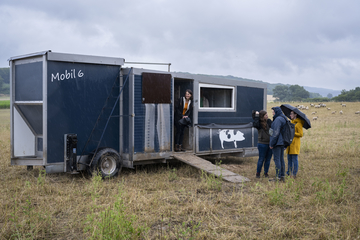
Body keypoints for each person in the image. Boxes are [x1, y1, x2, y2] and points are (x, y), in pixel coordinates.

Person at [252, 110, 272, 178]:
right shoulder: (259, 124)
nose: (267, 116)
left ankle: (266, 173)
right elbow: (255, 124)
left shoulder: (269, 121)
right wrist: (257, 115)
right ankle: (258, 173)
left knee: (268, 159)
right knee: (261, 159)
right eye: (266, 115)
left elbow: (273, 128)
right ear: (262, 116)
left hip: (269, 143)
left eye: (267, 115)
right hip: (262, 143)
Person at [269, 107, 287, 182]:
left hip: (277, 142)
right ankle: (282, 176)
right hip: (282, 142)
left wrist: (271, 143)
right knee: (281, 159)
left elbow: (275, 133)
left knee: (277, 160)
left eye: (273, 112)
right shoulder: (284, 118)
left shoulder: (278, 119)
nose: (272, 113)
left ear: (276, 112)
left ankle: (278, 177)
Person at [286, 111, 304, 178]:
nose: (290, 115)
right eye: (290, 114)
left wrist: (293, 133)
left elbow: (301, 134)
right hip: (290, 143)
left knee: (294, 159)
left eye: (291, 114)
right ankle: (288, 172)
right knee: (289, 159)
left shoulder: (298, 123)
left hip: (295, 143)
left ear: (295, 115)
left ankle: (294, 174)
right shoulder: (291, 122)